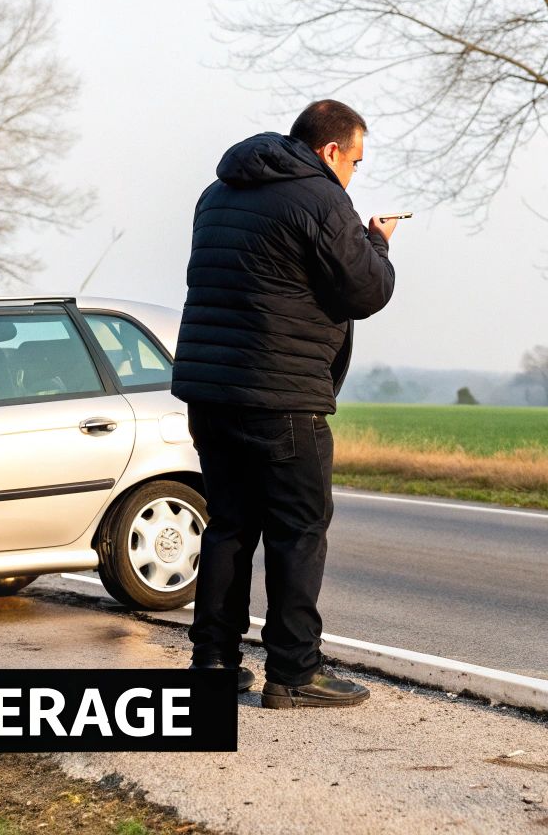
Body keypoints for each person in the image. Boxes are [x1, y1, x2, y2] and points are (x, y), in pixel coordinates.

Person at [172, 99, 397, 709]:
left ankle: (212, 665)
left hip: (210, 391)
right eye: (354, 159)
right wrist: (377, 245)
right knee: (298, 532)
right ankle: (295, 674)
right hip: (283, 395)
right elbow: (365, 289)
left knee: (229, 527)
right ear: (330, 151)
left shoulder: (217, 193)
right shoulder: (322, 199)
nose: (353, 172)